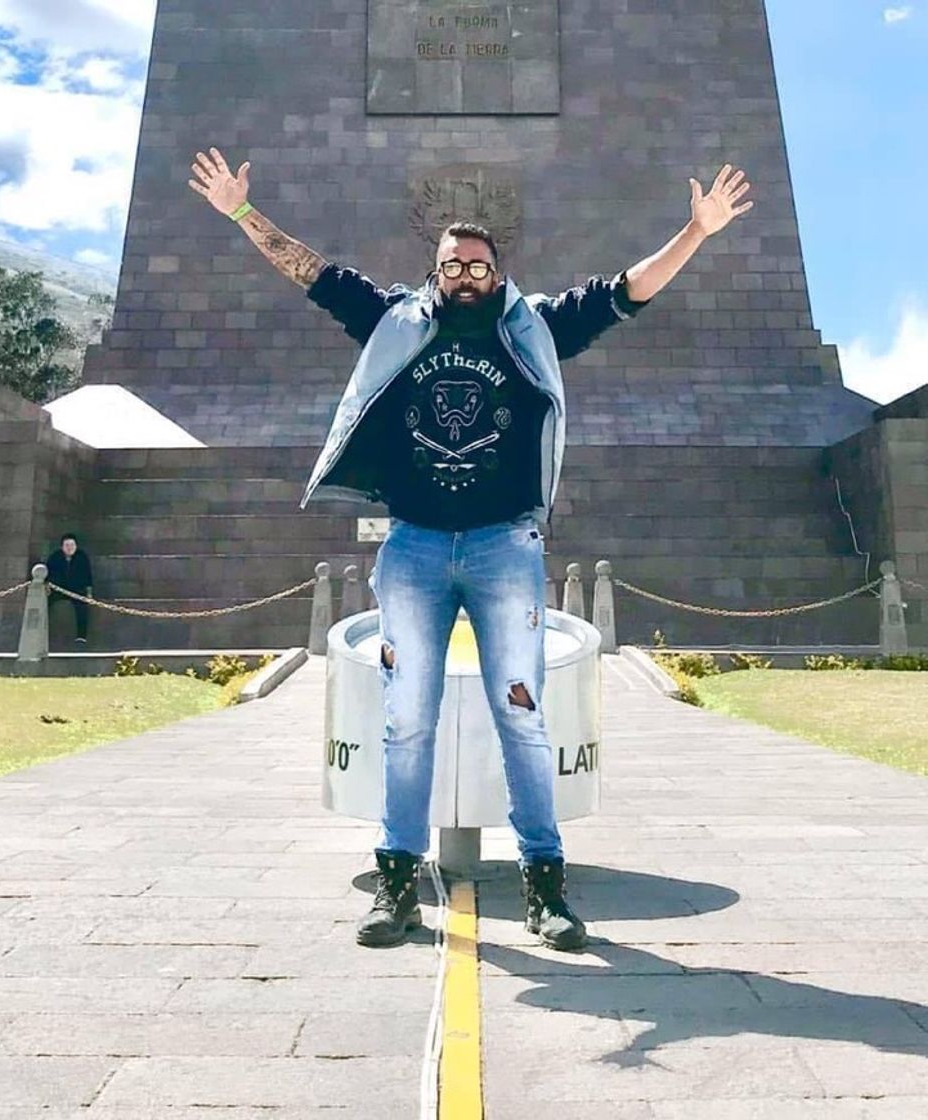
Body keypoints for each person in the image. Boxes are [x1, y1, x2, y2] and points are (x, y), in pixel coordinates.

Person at [189, 148, 753, 950]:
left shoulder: (536, 327)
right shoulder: (392, 318)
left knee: (521, 718)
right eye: (451, 262)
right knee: (404, 721)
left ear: (497, 271)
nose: (464, 272)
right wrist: (242, 213)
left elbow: (625, 293)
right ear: (435, 268)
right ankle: (394, 887)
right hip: (414, 548)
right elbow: (314, 275)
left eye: (477, 263)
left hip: (504, 549)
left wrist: (696, 231)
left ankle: (545, 887)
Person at [45, 533, 94, 645]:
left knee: (82, 607)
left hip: (76, 589)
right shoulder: (55, 557)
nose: (69, 548)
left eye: (72, 545)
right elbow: (48, 573)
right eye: (67, 545)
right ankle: (42, 632)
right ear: (62, 547)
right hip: (58, 589)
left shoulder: (82, 557)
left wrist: (89, 592)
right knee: (45, 603)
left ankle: (81, 636)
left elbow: (88, 575)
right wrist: (47, 586)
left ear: (76, 546)